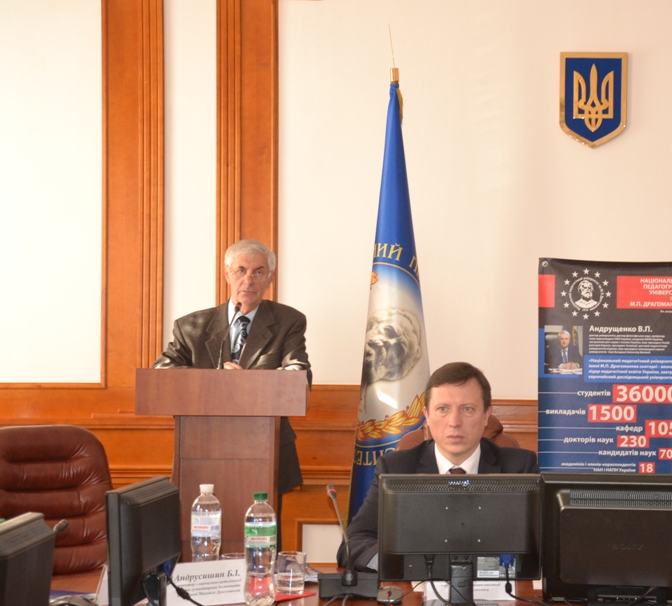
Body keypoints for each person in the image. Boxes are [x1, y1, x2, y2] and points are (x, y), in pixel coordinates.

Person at [153, 239, 310, 537]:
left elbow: (297, 376)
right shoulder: (191, 326)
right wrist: (215, 381)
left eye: (258, 272)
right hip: (201, 449)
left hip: (267, 448)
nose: (248, 280)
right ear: (227, 274)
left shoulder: (288, 322)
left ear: (269, 279)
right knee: (199, 537)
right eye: (240, 271)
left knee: (262, 539)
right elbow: (162, 374)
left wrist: (245, 384)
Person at [338, 362, 539, 572]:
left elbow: (542, 543)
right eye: (443, 409)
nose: (454, 421)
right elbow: (353, 542)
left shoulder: (519, 468)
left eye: (467, 409)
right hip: (417, 588)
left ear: (486, 415)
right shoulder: (396, 468)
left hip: (496, 589)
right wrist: (401, 565)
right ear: (427, 415)